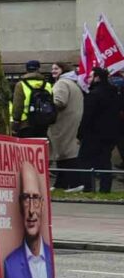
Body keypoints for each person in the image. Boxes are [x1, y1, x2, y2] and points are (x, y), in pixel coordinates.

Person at [0, 162, 53, 278]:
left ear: (42, 204)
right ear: (19, 205)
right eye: (25, 198)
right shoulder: (10, 264)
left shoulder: (50, 257)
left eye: (35, 198)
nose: (31, 210)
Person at [80, 67, 120, 195]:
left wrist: (80, 133)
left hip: (93, 134)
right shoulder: (114, 93)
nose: (89, 79)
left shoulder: (94, 94)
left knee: (85, 160)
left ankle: (88, 187)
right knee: (105, 161)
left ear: (97, 78)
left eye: (91, 76)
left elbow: (87, 116)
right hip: (110, 133)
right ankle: (105, 188)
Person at [47, 69, 85, 189]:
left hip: (63, 122)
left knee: (64, 153)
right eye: (52, 68)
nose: (53, 71)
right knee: (65, 153)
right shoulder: (73, 83)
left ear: (63, 70)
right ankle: (61, 184)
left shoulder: (62, 83)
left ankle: (75, 183)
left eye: (56, 68)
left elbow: (59, 102)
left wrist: (47, 105)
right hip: (71, 122)